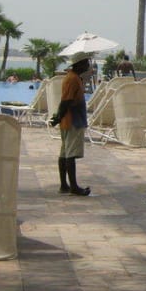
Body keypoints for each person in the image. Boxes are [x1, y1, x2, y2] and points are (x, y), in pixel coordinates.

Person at [49, 52, 92, 196]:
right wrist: (58, 117)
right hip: (73, 121)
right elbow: (66, 101)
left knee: (65, 153)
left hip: (70, 120)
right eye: (86, 62)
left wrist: (59, 118)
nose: (88, 65)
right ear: (79, 64)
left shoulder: (74, 78)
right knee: (70, 155)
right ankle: (73, 187)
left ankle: (64, 185)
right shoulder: (72, 79)